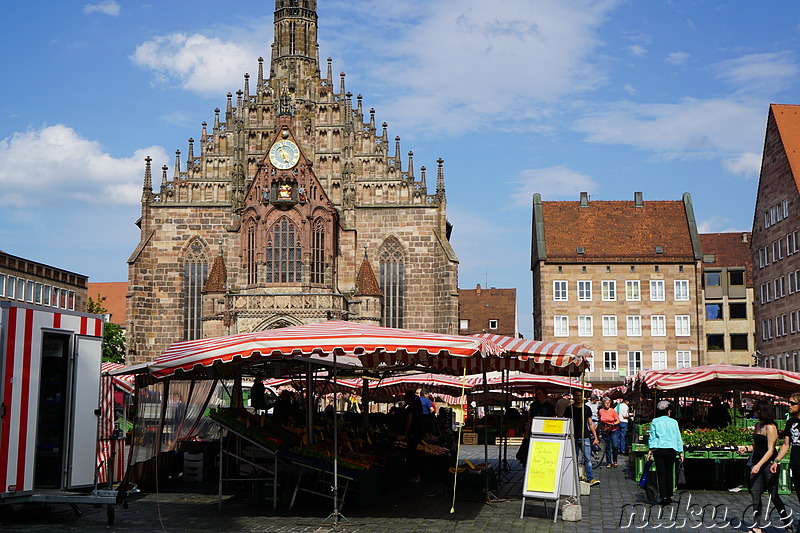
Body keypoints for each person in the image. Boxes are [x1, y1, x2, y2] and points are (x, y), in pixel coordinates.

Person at [737, 399, 792, 533]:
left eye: (756, 410)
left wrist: (759, 465)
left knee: (774, 496)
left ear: (762, 411)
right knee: (755, 494)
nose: (755, 412)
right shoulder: (758, 426)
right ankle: (757, 526)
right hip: (756, 463)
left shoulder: (770, 427)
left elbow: (771, 450)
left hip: (768, 464)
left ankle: (787, 521)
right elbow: (757, 446)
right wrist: (746, 448)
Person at [771, 392, 800, 531]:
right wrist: (777, 460)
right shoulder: (790, 422)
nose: (789, 406)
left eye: (793, 403)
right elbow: (786, 445)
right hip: (796, 464)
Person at [646, 400, 683, 505]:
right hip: (671, 449)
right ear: (669, 411)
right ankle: (669, 494)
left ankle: (663, 496)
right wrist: (681, 452)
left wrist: (650, 450)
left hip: (659, 449)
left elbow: (652, 437)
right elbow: (677, 437)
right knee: (669, 472)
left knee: (661, 473)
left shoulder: (655, 421)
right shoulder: (674, 422)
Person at [564, 391, 600, 486]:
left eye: (580, 396)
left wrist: (595, 437)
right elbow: (566, 423)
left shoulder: (586, 409)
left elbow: (590, 423)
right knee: (574, 459)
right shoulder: (569, 409)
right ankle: (574, 478)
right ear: (573, 397)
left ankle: (590, 478)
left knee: (587, 458)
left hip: (585, 436)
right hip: (573, 437)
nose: (579, 397)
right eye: (577, 396)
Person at [403, 389, 423, 483]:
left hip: (412, 434)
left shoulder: (411, 408)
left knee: (411, 454)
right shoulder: (418, 407)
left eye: (405, 397)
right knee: (414, 454)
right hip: (417, 432)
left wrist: (405, 432)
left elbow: (408, 421)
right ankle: (417, 475)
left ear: (408, 398)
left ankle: (415, 476)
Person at [598, 397, 621, 468]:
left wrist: (613, 424)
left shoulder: (613, 411)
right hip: (605, 430)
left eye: (608, 402)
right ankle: (609, 462)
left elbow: (618, 420)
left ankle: (615, 461)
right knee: (607, 447)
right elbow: (599, 419)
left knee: (615, 446)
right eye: (606, 403)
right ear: (603, 403)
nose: (607, 404)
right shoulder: (601, 411)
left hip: (613, 430)